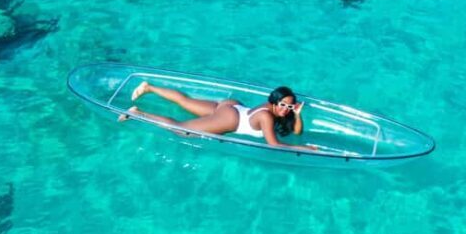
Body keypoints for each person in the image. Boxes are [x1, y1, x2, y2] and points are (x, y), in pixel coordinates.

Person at [120, 81, 318, 150]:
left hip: (233, 107)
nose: (286, 109)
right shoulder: (267, 117)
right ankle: (138, 113)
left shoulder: (276, 108)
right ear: (274, 102)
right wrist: (305, 148)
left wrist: (297, 115)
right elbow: (274, 145)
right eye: (283, 105)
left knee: (186, 101)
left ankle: (149, 88)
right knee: (181, 129)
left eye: (290, 107)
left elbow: (297, 131)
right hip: (231, 119)